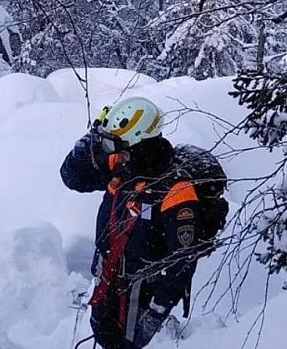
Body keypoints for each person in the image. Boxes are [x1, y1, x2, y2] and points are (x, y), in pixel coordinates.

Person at [60, 97, 200, 349]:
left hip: (141, 298)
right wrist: (78, 153)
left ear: (139, 144)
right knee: (105, 337)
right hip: (108, 284)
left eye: (116, 145)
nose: (112, 153)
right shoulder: (125, 166)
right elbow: (73, 179)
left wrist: (155, 314)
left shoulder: (175, 189)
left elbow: (183, 261)